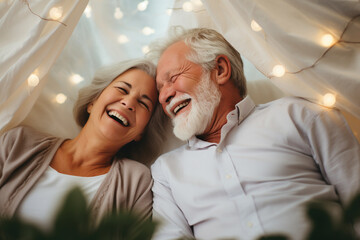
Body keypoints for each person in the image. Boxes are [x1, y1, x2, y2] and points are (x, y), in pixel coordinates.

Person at [147, 27, 360, 240]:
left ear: (220, 70)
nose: (164, 95)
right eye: (160, 90)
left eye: (173, 78)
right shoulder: (166, 171)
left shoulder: (300, 115)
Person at [0, 58, 166, 231]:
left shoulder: (136, 180)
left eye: (143, 103)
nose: (129, 103)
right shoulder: (18, 143)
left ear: (141, 133)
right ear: (92, 102)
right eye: (122, 89)